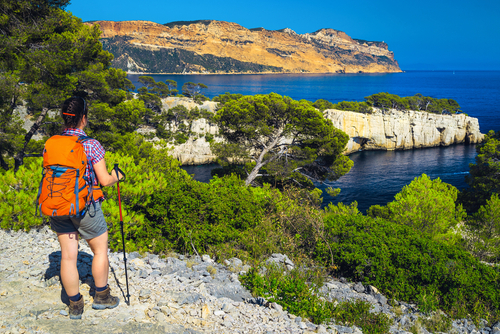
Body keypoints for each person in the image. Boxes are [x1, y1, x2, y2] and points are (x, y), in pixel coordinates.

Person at [48, 96, 123, 319]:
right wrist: (117, 176)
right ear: (83, 118)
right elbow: (104, 180)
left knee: (68, 257)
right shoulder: (90, 144)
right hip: (84, 207)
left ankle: (75, 305)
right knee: (99, 250)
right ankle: (102, 297)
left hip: (58, 205)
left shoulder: (51, 142)